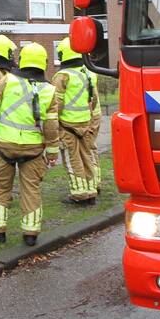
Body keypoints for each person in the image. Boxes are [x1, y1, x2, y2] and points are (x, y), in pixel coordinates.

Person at [0, 42, 60, 247]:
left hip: (4, 146)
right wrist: (52, 151)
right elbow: (51, 126)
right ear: (44, 63)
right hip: (33, 150)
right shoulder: (50, 90)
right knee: (31, 189)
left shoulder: (8, 81)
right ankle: (30, 233)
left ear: (22, 61)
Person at [51, 38, 99, 205]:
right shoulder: (87, 73)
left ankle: (79, 193)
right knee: (87, 156)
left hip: (67, 126)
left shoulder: (62, 76)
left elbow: (57, 103)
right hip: (85, 124)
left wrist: (53, 124)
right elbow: (92, 100)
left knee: (72, 159)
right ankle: (91, 190)